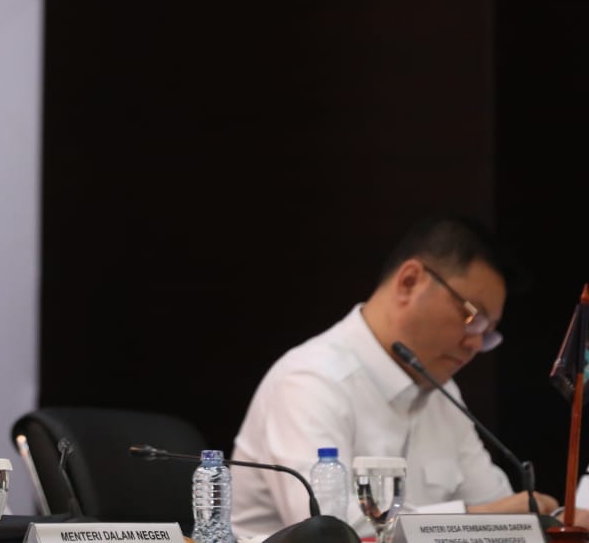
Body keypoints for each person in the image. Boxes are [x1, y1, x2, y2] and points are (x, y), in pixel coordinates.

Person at [230, 215, 561, 539]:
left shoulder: (443, 393)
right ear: (409, 282)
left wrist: (550, 520)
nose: (475, 343)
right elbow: (329, 528)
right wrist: (479, 518)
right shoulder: (310, 380)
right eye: (472, 317)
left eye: (488, 333)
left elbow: (498, 505)